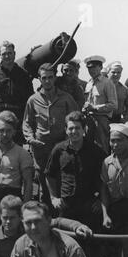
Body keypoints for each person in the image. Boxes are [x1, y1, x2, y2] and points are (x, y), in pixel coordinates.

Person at [23, 63, 78, 205]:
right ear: (39, 79)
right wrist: (30, 139)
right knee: (43, 183)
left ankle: (62, 216)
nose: (47, 81)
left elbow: (76, 118)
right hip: (41, 148)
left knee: (62, 180)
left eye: (50, 77)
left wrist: (69, 140)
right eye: (44, 78)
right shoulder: (33, 100)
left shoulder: (66, 98)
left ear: (55, 78)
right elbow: (27, 123)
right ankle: (45, 216)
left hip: (61, 146)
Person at [45, 111, 106, 226]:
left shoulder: (96, 151)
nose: (74, 132)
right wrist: (53, 198)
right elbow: (49, 175)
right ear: (66, 130)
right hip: (66, 205)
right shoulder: (58, 150)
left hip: (89, 206)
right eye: (71, 128)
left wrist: (101, 201)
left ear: (84, 129)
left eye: (78, 128)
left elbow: (104, 179)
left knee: (89, 240)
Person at [0, 41, 34, 144]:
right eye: (4, 54)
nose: (7, 56)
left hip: (17, 119)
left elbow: (30, 100)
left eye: (9, 53)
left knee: (16, 149)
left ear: (14, 54)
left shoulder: (24, 75)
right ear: (0, 56)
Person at [83, 55, 118, 153]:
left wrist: (94, 108)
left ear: (101, 67)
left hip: (101, 121)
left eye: (94, 67)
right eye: (89, 67)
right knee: (89, 148)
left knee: (102, 149)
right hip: (89, 120)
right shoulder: (89, 84)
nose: (91, 70)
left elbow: (114, 105)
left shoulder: (107, 83)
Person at [101, 123, 128, 233]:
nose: (115, 144)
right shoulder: (107, 163)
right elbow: (104, 189)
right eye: (112, 141)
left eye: (119, 140)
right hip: (115, 211)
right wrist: (105, 215)